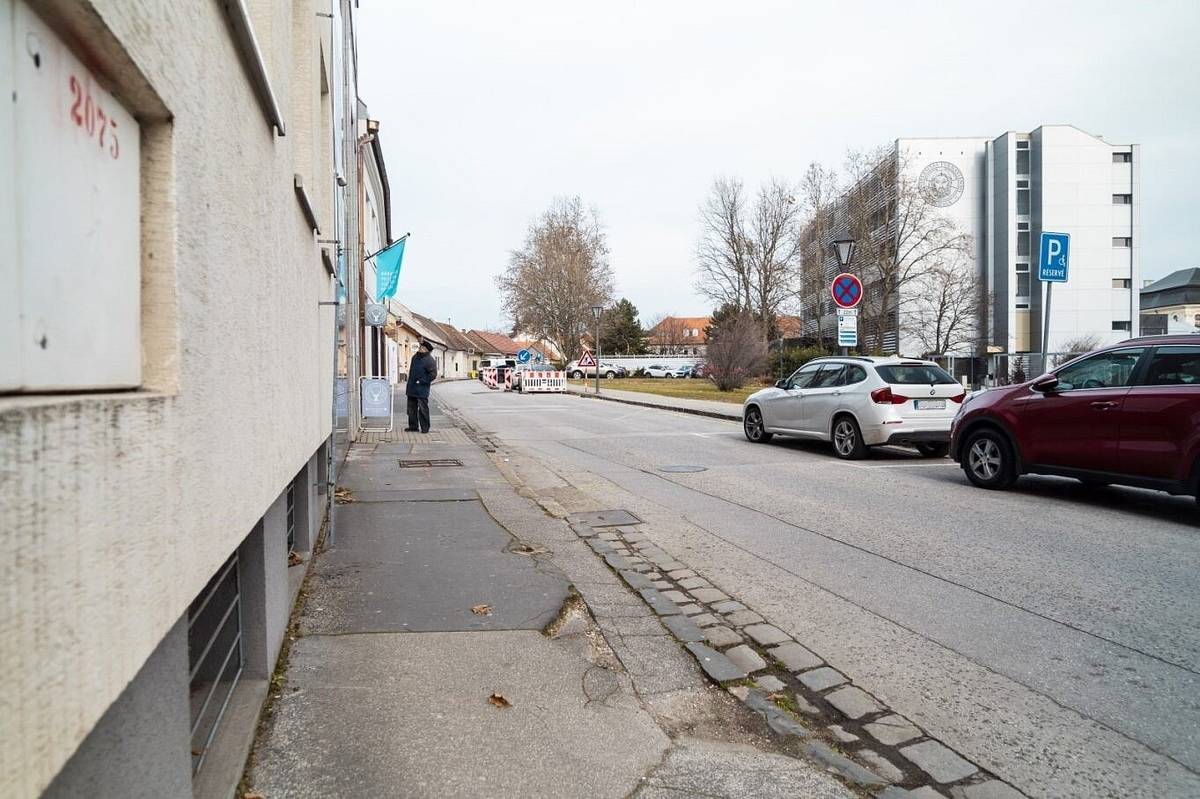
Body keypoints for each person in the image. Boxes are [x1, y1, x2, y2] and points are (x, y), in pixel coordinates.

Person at [405, 340, 438, 433]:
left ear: (425, 349)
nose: (419, 348)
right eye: (420, 347)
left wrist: (422, 381)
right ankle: (413, 426)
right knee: (411, 409)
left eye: (421, 347)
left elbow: (433, 374)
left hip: (421, 389)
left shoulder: (430, 360)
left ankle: (425, 428)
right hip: (411, 388)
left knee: (423, 409)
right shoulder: (415, 357)